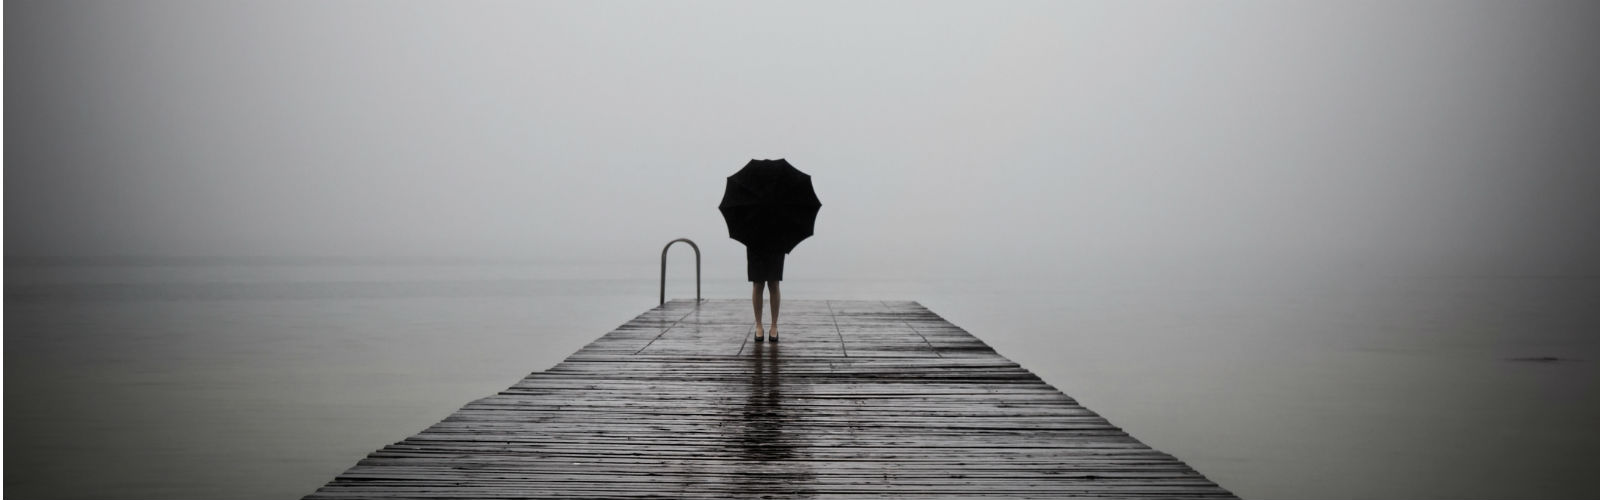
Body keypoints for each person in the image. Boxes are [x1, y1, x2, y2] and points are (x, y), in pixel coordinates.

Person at [747, 246, 783, 342]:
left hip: (776, 240)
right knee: (758, 283)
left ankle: (774, 325)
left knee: (774, 283)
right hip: (754, 241)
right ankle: (758, 325)